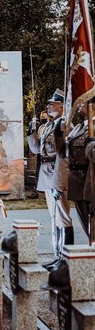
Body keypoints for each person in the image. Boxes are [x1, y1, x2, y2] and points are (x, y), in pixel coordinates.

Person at [27, 89, 73, 269]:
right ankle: (57, 255)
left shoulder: (65, 125)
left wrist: (60, 180)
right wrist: (31, 132)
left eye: (52, 104)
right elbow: (37, 150)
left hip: (57, 173)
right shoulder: (48, 126)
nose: (48, 106)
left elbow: (64, 154)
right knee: (54, 216)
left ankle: (66, 259)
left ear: (61, 106)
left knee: (63, 216)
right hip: (47, 173)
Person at [63, 100, 95, 245]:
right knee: (86, 226)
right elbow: (66, 152)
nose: (79, 104)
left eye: (83, 103)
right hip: (77, 181)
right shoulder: (79, 128)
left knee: (93, 226)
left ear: (92, 107)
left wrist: (91, 143)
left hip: (90, 181)